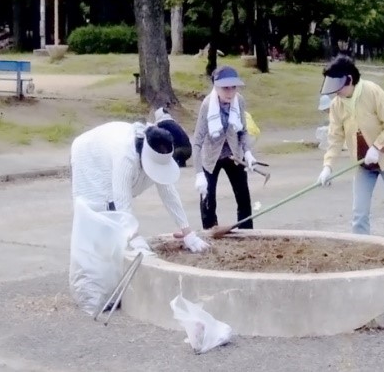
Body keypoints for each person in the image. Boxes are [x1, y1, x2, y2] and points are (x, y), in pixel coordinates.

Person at [70, 113, 209, 254]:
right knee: (96, 210)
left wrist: (188, 233)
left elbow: (169, 194)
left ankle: (114, 251)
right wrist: (134, 237)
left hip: (109, 149)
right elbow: (122, 200)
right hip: (89, 155)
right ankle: (93, 255)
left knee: (114, 221)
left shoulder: (160, 151)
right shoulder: (125, 156)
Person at [318, 55, 384, 242]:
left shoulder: (372, 91)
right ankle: (361, 251)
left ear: (349, 80)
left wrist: (377, 147)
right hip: (362, 164)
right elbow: (335, 138)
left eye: (338, 87)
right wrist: (327, 167)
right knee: (359, 215)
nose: (335, 93)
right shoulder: (337, 105)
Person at [192, 66, 258, 230]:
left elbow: (243, 130)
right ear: (216, 86)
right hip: (211, 156)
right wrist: (199, 173)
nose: (230, 92)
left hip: (234, 155)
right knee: (208, 198)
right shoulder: (207, 105)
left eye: (233, 87)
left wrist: (248, 152)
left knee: (243, 197)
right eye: (225, 88)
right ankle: (210, 232)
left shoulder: (239, 101)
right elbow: (197, 142)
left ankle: (246, 233)